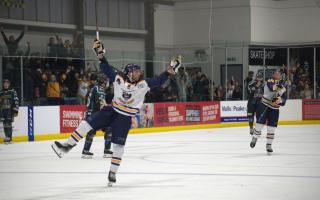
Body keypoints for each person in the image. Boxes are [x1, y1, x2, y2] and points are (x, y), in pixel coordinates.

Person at [51, 40, 181, 186]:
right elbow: (106, 67)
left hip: (125, 117)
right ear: (129, 72)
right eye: (136, 71)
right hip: (111, 110)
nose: (139, 73)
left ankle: (112, 173)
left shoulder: (144, 84)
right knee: (86, 123)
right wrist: (100, 54)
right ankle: (68, 146)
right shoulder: (118, 77)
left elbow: (159, 79)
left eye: (139, 71)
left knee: (119, 146)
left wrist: (171, 69)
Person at [250, 70, 287, 154]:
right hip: (264, 105)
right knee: (259, 124)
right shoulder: (270, 80)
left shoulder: (283, 87)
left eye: (278, 73)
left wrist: (279, 101)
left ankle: (269, 145)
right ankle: (255, 137)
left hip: (274, 109)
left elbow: (284, 101)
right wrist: (281, 87)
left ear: (281, 75)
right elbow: (271, 87)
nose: (277, 74)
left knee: (272, 128)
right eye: (275, 73)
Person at [81, 73, 113, 159]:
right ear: (102, 82)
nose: (107, 83)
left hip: (92, 113)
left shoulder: (95, 88)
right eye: (106, 81)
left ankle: (86, 151)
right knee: (106, 129)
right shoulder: (99, 90)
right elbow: (101, 104)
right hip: (95, 114)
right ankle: (87, 151)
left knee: (107, 129)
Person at [0, 79, 19, 144]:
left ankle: (8, 137)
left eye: (7, 83)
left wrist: (16, 110)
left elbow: (16, 101)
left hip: (10, 111)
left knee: (8, 124)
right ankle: (9, 138)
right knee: (5, 124)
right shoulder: (1, 92)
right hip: (3, 111)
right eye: (4, 83)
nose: (5, 84)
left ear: (9, 84)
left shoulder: (12, 92)